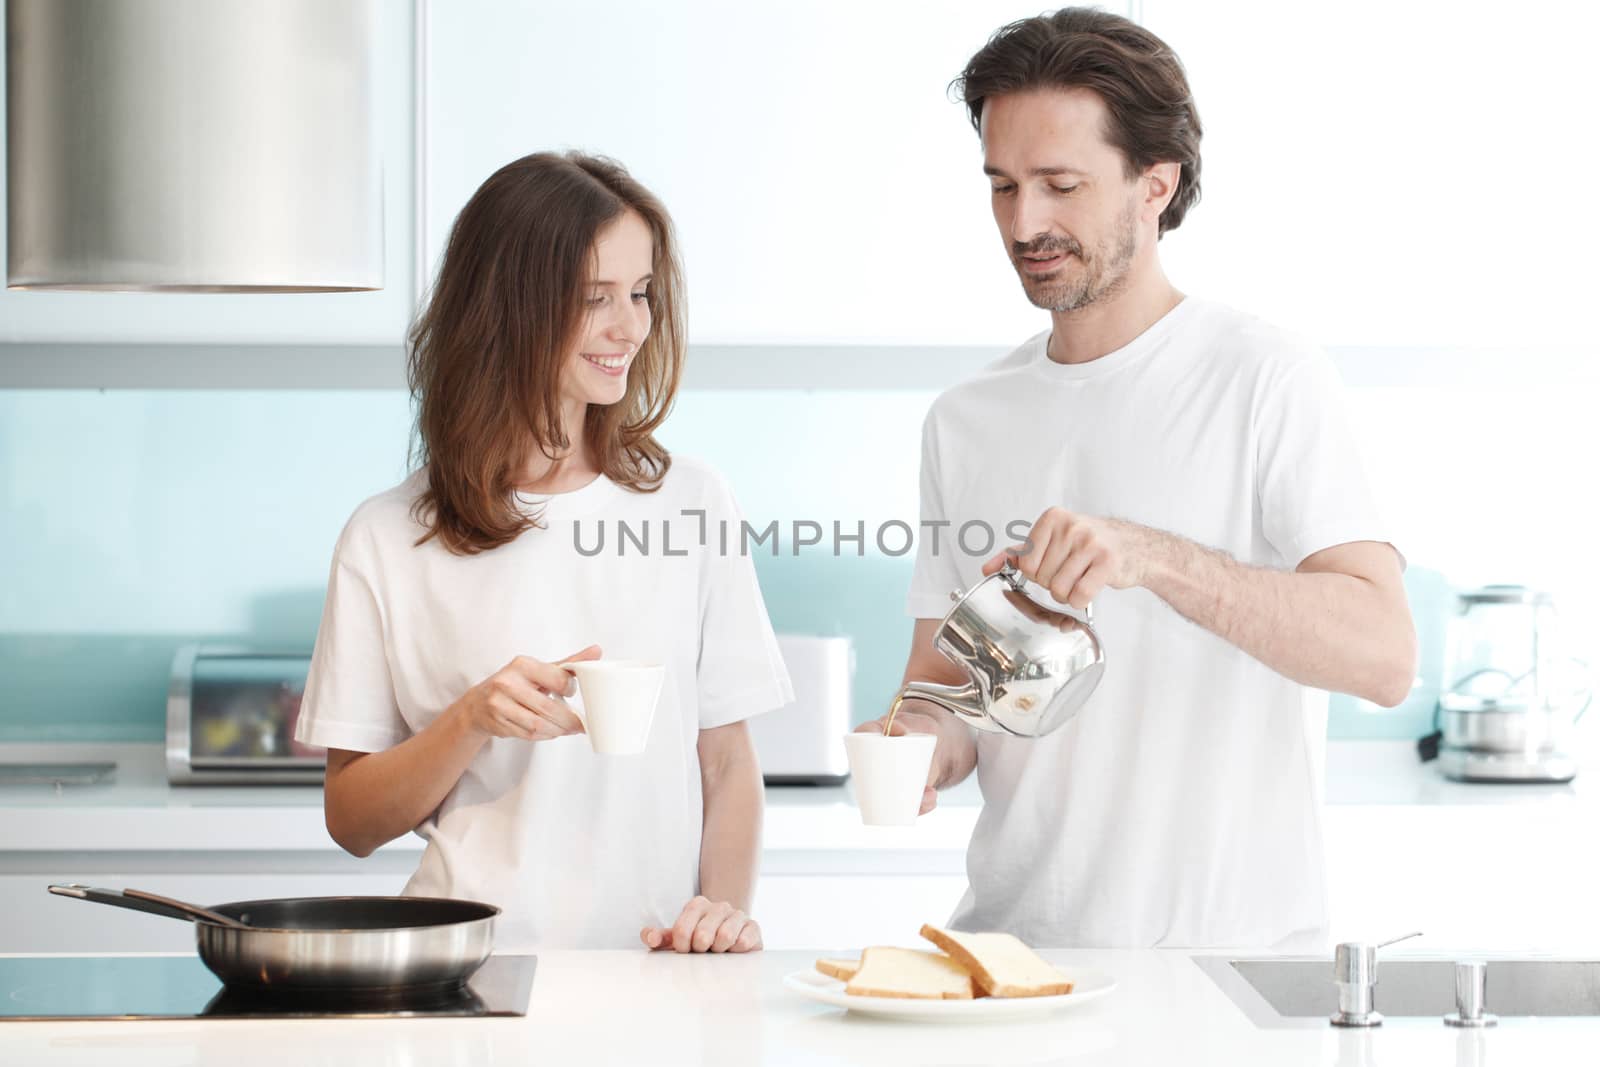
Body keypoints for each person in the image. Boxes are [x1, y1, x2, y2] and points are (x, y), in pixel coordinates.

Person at [860, 9, 1417, 950]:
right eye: (1002, 186)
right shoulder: (964, 420)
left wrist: (1153, 557)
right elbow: (945, 685)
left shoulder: (1263, 377)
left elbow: (1385, 655)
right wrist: (916, 743)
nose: (1023, 223)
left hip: (1228, 974)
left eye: (1060, 186)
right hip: (1012, 963)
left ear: (1156, 184)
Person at [296, 151, 792, 953]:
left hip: (658, 970)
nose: (631, 326)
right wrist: (472, 717)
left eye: (640, 293)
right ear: (508, 307)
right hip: (466, 968)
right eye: (595, 298)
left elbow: (727, 762)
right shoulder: (387, 536)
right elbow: (351, 819)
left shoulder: (691, 502)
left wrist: (721, 917)